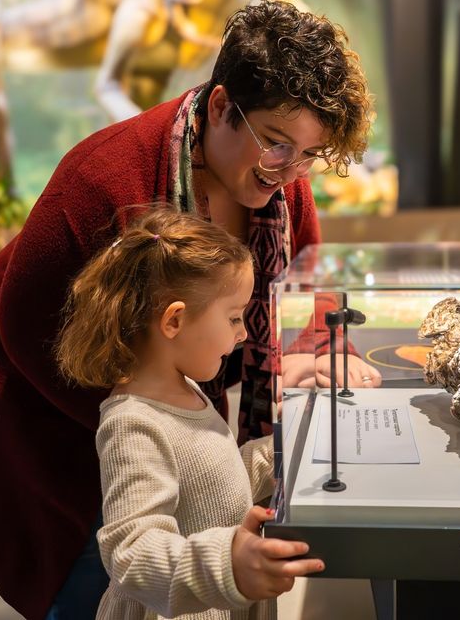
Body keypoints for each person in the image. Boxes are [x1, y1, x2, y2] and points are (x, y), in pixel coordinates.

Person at [0, 0, 380, 619]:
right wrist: (162, 428)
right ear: (223, 106)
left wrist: (321, 352)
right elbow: (24, 326)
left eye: (311, 154)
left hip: (162, 394)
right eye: (278, 145)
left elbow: (303, 294)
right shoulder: (103, 181)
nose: (291, 172)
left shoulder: (284, 189)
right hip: (42, 387)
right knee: (96, 564)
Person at [55, 208, 324, 620]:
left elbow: (213, 482)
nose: (244, 334)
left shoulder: (188, 391)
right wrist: (226, 565)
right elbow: (131, 550)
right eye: (234, 317)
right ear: (175, 320)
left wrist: (288, 447)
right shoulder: (133, 425)